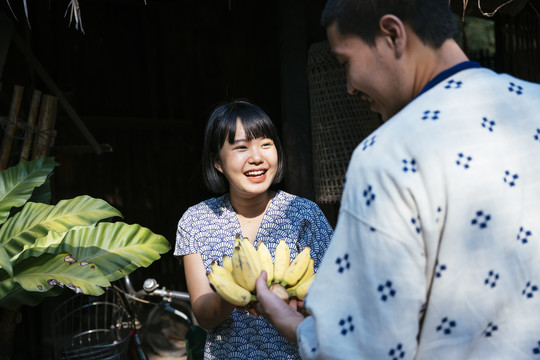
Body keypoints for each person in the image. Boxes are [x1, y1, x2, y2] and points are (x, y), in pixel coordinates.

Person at [254, 0, 540, 359]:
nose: (349, 87)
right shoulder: (535, 103)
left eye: (345, 62)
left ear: (393, 34)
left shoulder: (389, 153)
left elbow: (361, 348)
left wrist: (294, 326)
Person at [174, 100, 334, 359]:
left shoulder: (304, 214)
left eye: (265, 144)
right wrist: (235, 292)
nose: (257, 157)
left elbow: (336, 296)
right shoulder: (196, 221)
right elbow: (203, 315)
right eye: (241, 147)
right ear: (217, 162)